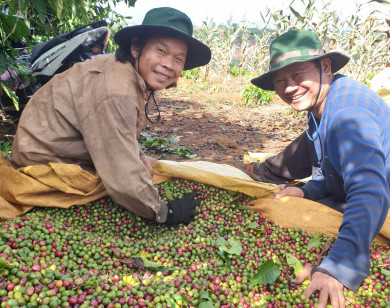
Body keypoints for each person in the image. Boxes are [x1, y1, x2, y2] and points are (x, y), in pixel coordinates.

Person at [8, 7, 211, 225]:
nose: (169, 65)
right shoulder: (116, 90)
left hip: (63, 152)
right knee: (124, 181)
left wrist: (139, 155)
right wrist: (162, 211)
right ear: (136, 47)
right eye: (161, 51)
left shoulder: (126, 72)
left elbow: (119, 129)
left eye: (178, 59)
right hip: (45, 168)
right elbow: (121, 170)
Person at [250, 29, 390, 307]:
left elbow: (369, 190)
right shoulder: (323, 105)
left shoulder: (347, 114)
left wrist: (336, 267)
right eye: (280, 80)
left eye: (298, 75)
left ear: (324, 66)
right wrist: (308, 192)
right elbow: (331, 167)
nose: (289, 87)